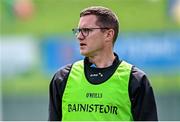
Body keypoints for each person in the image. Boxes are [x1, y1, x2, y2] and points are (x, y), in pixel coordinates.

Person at [48, 6, 158, 121]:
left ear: (108, 34)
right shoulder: (62, 78)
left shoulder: (135, 80)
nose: (79, 37)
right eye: (78, 31)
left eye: (86, 30)